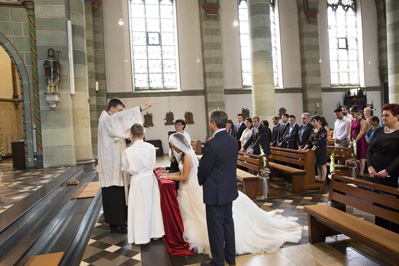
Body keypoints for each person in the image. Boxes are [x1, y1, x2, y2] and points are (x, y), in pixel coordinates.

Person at [160, 132, 302, 263]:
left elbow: (195, 173)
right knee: (227, 221)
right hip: (226, 188)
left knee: (214, 223)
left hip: (205, 188)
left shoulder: (202, 149)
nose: (173, 149)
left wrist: (173, 177)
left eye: (173, 146)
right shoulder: (231, 141)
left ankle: (219, 259)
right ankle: (230, 256)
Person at [98, 98, 155, 234]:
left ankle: (120, 221)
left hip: (115, 161)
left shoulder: (109, 121)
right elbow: (121, 119)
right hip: (111, 162)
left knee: (119, 192)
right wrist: (139, 109)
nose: (121, 114)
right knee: (113, 192)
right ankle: (115, 224)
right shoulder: (106, 120)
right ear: (112, 109)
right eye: (119, 110)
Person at [121, 124, 164, 244]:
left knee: (139, 207)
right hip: (149, 178)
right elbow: (153, 162)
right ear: (144, 134)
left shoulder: (128, 151)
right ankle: (155, 232)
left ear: (130, 135)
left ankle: (141, 237)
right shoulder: (151, 147)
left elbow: (125, 168)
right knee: (152, 205)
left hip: (137, 180)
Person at [367, 103, 399, 232]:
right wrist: (370, 166)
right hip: (376, 175)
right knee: (378, 205)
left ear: (397, 117)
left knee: (392, 208)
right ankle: (381, 232)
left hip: (393, 175)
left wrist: (387, 170)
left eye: (387, 115)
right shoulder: (379, 131)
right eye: (383, 115)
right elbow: (370, 150)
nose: (383, 118)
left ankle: (393, 237)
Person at [299, 115, 328, 182]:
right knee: (318, 165)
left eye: (314, 121)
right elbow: (310, 140)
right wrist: (304, 148)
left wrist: (311, 150)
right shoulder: (313, 129)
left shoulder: (323, 130)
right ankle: (320, 178)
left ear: (319, 121)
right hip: (314, 149)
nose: (313, 123)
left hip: (321, 149)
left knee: (322, 165)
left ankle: (323, 179)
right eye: (312, 121)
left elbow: (319, 141)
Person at [349, 105, 368, 177]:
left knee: (361, 156)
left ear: (357, 113)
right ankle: (355, 171)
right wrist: (350, 140)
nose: (352, 115)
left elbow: (361, 132)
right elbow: (350, 131)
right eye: (351, 114)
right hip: (353, 138)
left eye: (353, 114)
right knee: (354, 155)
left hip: (360, 139)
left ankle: (361, 172)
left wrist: (355, 140)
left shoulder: (361, 120)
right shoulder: (352, 121)